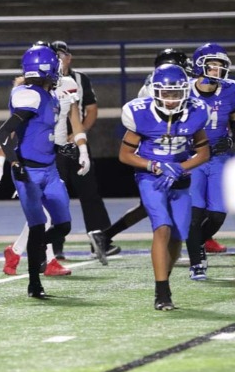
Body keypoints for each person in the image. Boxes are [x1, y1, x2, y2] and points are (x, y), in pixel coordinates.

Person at [117, 63, 209, 310]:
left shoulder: (196, 111)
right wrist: (154, 165)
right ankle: (162, 292)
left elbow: (203, 153)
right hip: (151, 178)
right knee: (162, 227)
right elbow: (125, 155)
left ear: (185, 92)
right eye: (166, 93)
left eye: (176, 93)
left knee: (178, 234)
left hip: (180, 178)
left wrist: (180, 167)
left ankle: (163, 281)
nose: (170, 99)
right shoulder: (141, 113)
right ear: (155, 92)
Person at [0, 44, 83, 298]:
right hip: (29, 172)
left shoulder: (49, 97)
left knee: (63, 225)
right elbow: (3, 133)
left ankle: (33, 249)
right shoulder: (29, 96)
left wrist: (61, 149)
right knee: (37, 226)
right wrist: (14, 163)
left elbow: (40, 136)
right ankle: (34, 283)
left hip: (50, 169)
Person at [88, 48, 193, 261]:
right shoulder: (155, 89)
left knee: (150, 206)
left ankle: (104, 236)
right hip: (158, 153)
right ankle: (193, 246)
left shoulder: (174, 85)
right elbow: (156, 124)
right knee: (162, 205)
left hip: (172, 150)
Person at [48, 40, 111, 258]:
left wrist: (78, 135)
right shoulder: (41, 80)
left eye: (61, 55)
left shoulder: (78, 80)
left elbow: (89, 110)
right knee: (54, 194)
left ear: (69, 57)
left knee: (90, 192)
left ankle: (101, 241)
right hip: (51, 146)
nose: (58, 59)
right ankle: (54, 247)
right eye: (54, 55)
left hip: (75, 142)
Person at [184, 43, 235, 279]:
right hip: (192, 157)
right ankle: (196, 261)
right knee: (194, 212)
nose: (217, 70)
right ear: (199, 65)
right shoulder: (184, 90)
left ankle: (197, 244)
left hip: (220, 157)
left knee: (217, 214)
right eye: (212, 65)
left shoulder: (230, 90)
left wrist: (231, 140)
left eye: (221, 65)